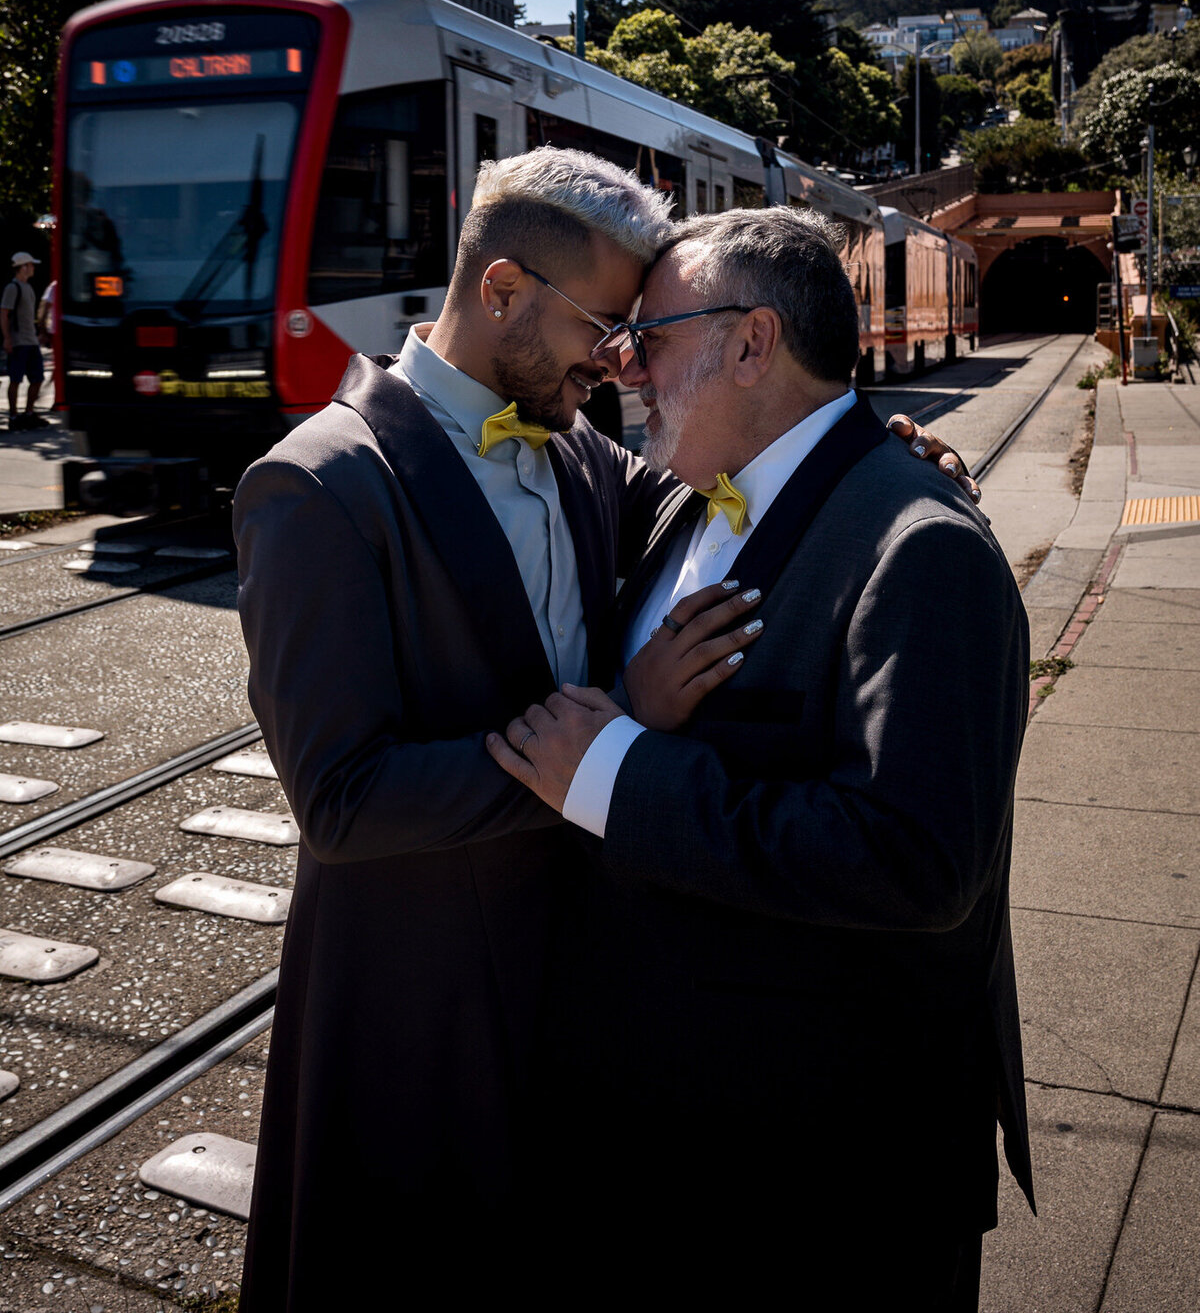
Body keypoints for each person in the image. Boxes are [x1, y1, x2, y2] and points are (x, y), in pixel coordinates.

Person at [234, 155, 977, 1309]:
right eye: (604, 324)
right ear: (501, 292)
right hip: (416, 1008)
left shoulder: (586, 454)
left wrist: (877, 451)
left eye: (641, 331)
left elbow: (765, 477)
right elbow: (339, 799)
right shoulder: (319, 485)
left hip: (580, 1013)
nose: (621, 358)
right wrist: (616, 731)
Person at [490, 206, 1032, 1313]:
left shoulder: (918, 547)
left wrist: (616, 774)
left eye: (655, 334)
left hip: (825, 1182)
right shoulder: (684, 501)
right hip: (676, 1145)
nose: (625, 362)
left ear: (752, 343)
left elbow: (917, 860)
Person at [1, 253, 48, 431]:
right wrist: (7, 338)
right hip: (18, 341)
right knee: (15, 379)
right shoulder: (12, 288)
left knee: (37, 378)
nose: (33, 268)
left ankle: (29, 413)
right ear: (22, 267)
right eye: (30, 265)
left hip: (31, 340)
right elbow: (4, 313)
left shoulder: (28, 287)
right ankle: (14, 416)